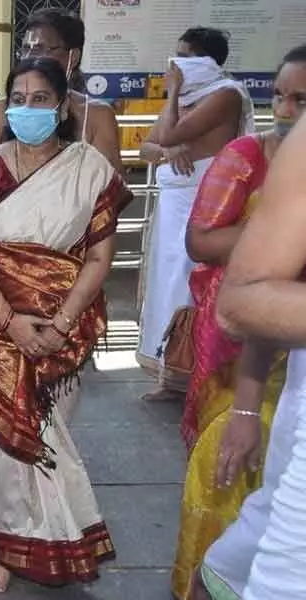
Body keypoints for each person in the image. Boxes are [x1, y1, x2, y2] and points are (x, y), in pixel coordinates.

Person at [0, 57, 128, 593]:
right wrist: (11, 324)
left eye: (41, 99)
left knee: (50, 434)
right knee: (6, 446)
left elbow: (99, 260)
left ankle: (58, 537)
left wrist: (58, 324)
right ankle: (8, 548)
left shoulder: (90, 169)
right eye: (19, 99)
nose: (28, 109)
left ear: (63, 107)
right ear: (7, 107)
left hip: (63, 329)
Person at [171, 46, 306, 600]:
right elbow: (208, 253)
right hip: (243, 347)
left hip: (283, 362)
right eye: (279, 96)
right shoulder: (254, 155)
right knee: (221, 464)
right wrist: (275, 242)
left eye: (300, 98)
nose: (285, 109)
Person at [137, 26, 255, 402]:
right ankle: (172, 375)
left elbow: (167, 135)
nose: (175, 64)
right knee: (167, 284)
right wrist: (168, 153)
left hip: (204, 205)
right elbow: (149, 148)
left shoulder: (225, 95)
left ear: (206, 62)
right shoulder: (191, 96)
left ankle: (197, 376)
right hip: (173, 206)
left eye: (184, 56)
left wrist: (171, 97)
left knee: (191, 283)